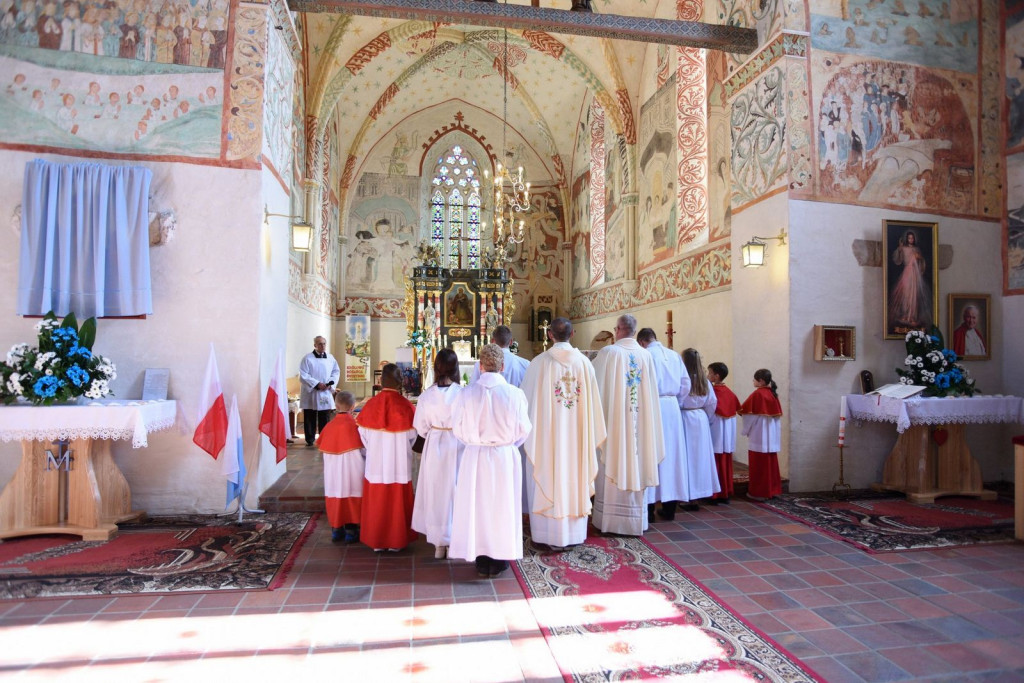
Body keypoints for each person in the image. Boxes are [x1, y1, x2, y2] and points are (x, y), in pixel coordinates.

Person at [520, 317, 606, 549]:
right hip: (577, 439)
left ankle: (546, 535)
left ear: (549, 335)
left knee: (547, 472)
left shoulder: (538, 363)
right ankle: (574, 534)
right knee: (574, 475)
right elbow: (594, 407)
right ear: (573, 333)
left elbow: (524, 404)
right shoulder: (585, 364)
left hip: (546, 440)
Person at [449, 343, 532, 578]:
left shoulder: (467, 393)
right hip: (504, 456)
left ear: (480, 366)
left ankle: (481, 557)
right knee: (502, 507)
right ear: (503, 366)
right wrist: (506, 444)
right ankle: (499, 557)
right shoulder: (515, 394)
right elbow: (524, 429)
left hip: (475, 456)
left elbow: (458, 428)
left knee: (478, 506)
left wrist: (476, 442)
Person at [591, 314, 664, 536]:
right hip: (639, 422)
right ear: (634, 330)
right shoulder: (645, 355)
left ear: (618, 329)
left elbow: (595, 387)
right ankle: (634, 520)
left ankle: (610, 521)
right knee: (637, 456)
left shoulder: (609, 353)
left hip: (614, 423)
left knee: (613, 458)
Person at [356, 364, 418, 551]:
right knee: (397, 500)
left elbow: (363, 436)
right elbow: (413, 437)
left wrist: (376, 448)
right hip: (399, 463)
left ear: (380, 381)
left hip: (376, 463)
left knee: (377, 499)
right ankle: (396, 540)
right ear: (401, 382)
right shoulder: (406, 407)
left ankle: (377, 540)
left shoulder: (370, 406)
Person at [411, 349, 463, 559]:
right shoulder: (462, 393)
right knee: (454, 490)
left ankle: (438, 544)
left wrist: (434, 432)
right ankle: (453, 539)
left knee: (435, 491)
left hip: (434, 444)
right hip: (456, 445)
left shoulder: (426, 395)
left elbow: (420, 427)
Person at [636, 328, 690, 522]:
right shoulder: (674, 355)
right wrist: (677, 402)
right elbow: (686, 384)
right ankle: (670, 509)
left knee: (651, 455)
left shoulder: (645, 355)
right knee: (673, 457)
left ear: (641, 342)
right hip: (673, 407)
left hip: (652, 406)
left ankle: (648, 511)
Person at [316, 391, 364, 544]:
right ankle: (351, 531)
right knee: (352, 494)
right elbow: (365, 449)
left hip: (333, 472)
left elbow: (322, 446)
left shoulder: (328, 427)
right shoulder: (357, 427)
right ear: (353, 406)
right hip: (353, 470)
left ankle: (336, 530)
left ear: (335, 406)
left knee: (335, 495)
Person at [677, 348, 719, 511]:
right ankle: (698, 494)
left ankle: (686, 494)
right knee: (699, 458)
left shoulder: (682, 379)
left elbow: (677, 399)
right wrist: (705, 419)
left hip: (685, 418)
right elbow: (712, 403)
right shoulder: (705, 381)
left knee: (686, 458)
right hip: (700, 419)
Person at [740, 368, 783, 501]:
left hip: (759, 435)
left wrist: (745, 430)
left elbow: (747, 414)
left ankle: (760, 493)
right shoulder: (772, 394)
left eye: (754, 379)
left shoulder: (758, 394)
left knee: (759, 465)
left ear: (761, 381)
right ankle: (773, 490)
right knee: (771, 463)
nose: (753, 381)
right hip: (771, 436)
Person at [707, 362, 740, 504]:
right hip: (726, 435)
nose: (708, 376)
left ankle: (714, 494)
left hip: (715, 431)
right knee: (725, 461)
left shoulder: (713, 393)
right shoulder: (730, 393)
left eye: (709, 373)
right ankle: (725, 492)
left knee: (715, 462)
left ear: (716, 376)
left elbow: (708, 411)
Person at [299, 336, 340, 446]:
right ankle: (310, 439)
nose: (322, 346)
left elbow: (336, 372)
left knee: (324, 416)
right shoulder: (307, 358)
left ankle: (324, 437)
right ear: (315, 345)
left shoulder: (331, 358)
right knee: (310, 416)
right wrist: (317, 384)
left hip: (325, 391)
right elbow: (303, 375)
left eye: (324, 343)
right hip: (311, 391)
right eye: (320, 344)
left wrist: (330, 383)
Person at [888, 229, 932, 330]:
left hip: (915, 274)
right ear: (907, 239)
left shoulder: (917, 249)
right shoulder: (903, 248)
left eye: (912, 238)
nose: (910, 239)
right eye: (909, 238)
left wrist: (919, 258)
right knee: (906, 294)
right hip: (906, 273)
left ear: (914, 239)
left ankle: (912, 316)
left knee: (914, 295)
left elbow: (921, 263)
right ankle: (905, 314)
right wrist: (899, 249)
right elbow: (897, 260)